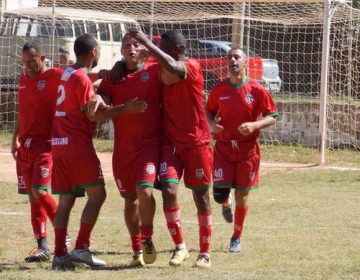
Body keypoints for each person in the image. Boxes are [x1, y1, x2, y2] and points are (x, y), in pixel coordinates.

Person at [50, 33, 146, 270]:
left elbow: (83, 80)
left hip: (59, 143)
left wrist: (99, 75)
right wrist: (126, 108)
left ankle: (59, 255)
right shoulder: (82, 79)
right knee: (98, 195)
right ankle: (81, 248)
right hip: (77, 145)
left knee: (65, 201)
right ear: (94, 52)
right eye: (100, 49)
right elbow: (93, 114)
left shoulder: (68, 73)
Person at [127, 29, 213, 268]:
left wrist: (147, 44)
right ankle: (180, 247)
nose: (156, 50)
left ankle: (205, 253)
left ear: (175, 50)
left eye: (161, 46)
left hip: (196, 142)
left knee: (201, 197)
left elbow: (174, 69)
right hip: (171, 143)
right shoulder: (160, 68)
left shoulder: (191, 65)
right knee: (168, 189)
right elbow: (133, 68)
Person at [89, 32, 162, 267]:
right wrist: (100, 98)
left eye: (136, 44)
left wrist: (151, 51)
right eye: (127, 45)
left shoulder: (152, 70)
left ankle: (148, 239)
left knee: (145, 190)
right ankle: (136, 249)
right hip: (122, 151)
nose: (131, 48)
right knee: (130, 201)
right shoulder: (114, 76)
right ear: (120, 51)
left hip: (149, 145)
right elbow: (100, 108)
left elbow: (174, 64)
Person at [205, 48, 279, 252]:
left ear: (245, 62)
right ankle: (224, 202)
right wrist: (212, 124)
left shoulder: (256, 89)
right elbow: (208, 111)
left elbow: (272, 116)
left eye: (237, 57)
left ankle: (236, 237)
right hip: (223, 148)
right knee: (219, 194)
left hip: (248, 151)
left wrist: (254, 125)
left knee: (242, 195)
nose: (232, 60)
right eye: (229, 57)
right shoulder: (219, 89)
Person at [11, 41, 64, 263]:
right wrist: (15, 138)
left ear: (42, 58)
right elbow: (22, 110)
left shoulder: (55, 75)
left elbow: (82, 77)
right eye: (24, 62)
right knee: (34, 198)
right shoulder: (24, 79)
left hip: (46, 143)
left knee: (40, 192)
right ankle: (42, 246)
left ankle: (64, 236)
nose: (28, 67)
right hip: (26, 146)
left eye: (32, 62)